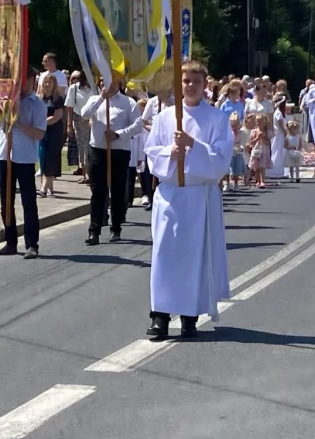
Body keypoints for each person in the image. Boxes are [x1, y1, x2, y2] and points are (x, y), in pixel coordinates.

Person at [144, 61, 234, 339]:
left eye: (195, 81)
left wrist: (193, 145)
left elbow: (221, 159)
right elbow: (151, 153)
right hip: (171, 194)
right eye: (185, 81)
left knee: (195, 256)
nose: (190, 86)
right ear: (178, 84)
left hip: (199, 196)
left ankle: (189, 316)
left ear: (205, 84)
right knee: (165, 255)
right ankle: (160, 314)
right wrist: (171, 151)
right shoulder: (165, 117)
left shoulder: (217, 118)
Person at [81, 78, 144, 244]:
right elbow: (84, 114)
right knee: (98, 191)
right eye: (101, 81)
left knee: (117, 190)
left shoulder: (128, 102)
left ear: (118, 83)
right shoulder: (94, 99)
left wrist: (118, 134)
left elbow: (138, 125)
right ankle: (94, 230)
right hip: (97, 150)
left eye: (107, 81)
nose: (103, 84)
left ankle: (116, 227)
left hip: (119, 151)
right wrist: (102, 98)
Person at [0, 74, 46, 259]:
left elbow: (39, 133)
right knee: (6, 201)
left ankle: (32, 244)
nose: (21, 85)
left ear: (32, 81)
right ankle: (10, 241)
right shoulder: (5, 99)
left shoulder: (38, 104)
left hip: (24, 157)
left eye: (25, 81)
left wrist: (18, 123)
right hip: (3, 155)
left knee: (28, 201)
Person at [37, 75, 65, 197]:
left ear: (54, 84)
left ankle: (44, 188)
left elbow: (57, 116)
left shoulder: (57, 99)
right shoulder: (39, 98)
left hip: (54, 131)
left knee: (51, 158)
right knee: (43, 157)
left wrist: (42, 122)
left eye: (50, 82)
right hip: (42, 131)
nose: (47, 84)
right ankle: (50, 188)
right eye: (46, 82)